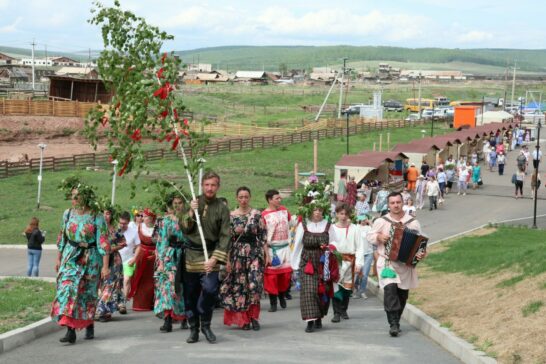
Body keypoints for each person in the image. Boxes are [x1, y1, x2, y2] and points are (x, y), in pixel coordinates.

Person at [51, 183, 110, 344]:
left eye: (78, 196)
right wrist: (58, 257)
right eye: (73, 196)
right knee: (67, 288)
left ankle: (89, 323)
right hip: (71, 256)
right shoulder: (68, 214)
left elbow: (103, 241)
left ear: (86, 197)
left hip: (91, 258)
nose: (74, 199)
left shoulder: (96, 216)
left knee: (87, 294)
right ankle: (70, 330)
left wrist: (105, 267)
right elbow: (62, 236)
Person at [179, 171, 230, 344]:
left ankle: (206, 325)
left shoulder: (222, 208)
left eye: (213, 185)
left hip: (211, 256)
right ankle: (193, 328)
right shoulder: (193, 203)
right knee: (190, 295)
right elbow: (185, 229)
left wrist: (214, 259)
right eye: (207, 185)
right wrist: (191, 213)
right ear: (202, 186)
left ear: (218, 186)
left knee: (210, 289)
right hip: (192, 256)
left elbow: (225, 236)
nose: (210, 188)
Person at [367, 192, 426, 337]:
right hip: (387, 262)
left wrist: (421, 252)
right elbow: (369, 236)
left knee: (402, 295)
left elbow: (420, 243)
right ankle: (393, 324)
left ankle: (396, 320)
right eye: (392, 203)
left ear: (402, 203)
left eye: (398, 202)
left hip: (405, 265)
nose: (395, 205)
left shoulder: (412, 222)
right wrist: (379, 237)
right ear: (388, 205)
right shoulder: (382, 221)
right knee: (390, 290)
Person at [220, 187, 266, 331]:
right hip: (237, 255)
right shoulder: (231, 216)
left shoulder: (257, 215)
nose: (244, 200)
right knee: (240, 286)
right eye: (241, 197)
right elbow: (227, 240)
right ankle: (244, 319)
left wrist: (267, 255)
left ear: (250, 197)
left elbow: (263, 236)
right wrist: (227, 260)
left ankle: (254, 317)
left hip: (254, 253)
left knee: (254, 285)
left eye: (246, 197)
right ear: (236, 198)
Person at [291, 204, 338, 333]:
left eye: (320, 210)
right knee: (309, 291)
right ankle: (310, 321)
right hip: (307, 262)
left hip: (324, 263)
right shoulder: (304, 225)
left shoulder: (328, 225)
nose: (317, 212)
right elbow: (297, 245)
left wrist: (329, 248)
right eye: (315, 209)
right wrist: (294, 265)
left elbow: (335, 242)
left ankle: (319, 317)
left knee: (322, 291)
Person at [154, 195, 188, 333]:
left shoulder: (188, 220)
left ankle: (185, 317)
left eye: (180, 203)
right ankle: (167, 320)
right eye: (175, 203)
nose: (178, 205)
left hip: (185, 255)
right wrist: (161, 261)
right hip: (170, 256)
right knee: (168, 286)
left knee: (184, 286)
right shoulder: (166, 221)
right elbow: (162, 241)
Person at [329, 203, 363, 323]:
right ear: (337, 214)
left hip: (350, 261)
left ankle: (344, 309)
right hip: (336, 261)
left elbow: (359, 247)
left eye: (346, 214)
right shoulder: (331, 228)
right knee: (336, 287)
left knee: (347, 288)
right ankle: (336, 313)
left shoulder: (355, 228)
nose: (343, 216)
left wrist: (359, 264)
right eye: (341, 213)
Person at [262, 189, 293, 313]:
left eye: (280, 198)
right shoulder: (264, 215)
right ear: (270, 200)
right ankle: (273, 302)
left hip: (285, 248)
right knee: (272, 278)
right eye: (277, 198)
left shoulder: (285, 211)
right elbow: (263, 235)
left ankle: (282, 294)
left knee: (285, 276)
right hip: (272, 250)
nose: (280, 200)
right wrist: (265, 254)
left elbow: (292, 223)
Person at [95, 208, 126, 322]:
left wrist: (113, 248)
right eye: (103, 213)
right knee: (102, 284)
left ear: (111, 215)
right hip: (100, 258)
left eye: (107, 213)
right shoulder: (97, 228)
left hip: (115, 260)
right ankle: (106, 311)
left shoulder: (115, 229)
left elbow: (123, 242)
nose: (105, 216)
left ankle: (101, 310)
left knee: (111, 284)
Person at [128, 208, 156, 311]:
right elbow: (135, 242)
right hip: (142, 255)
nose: (142, 218)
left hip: (154, 256)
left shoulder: (157, 228)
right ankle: (141, 304)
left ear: (151, 218)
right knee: (140, 279)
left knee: (153, 280)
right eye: (142, 216)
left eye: (145, 216)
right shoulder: (139, 227)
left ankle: (153, 303)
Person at [116, 212, 140, 315]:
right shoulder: (115, 231)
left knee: (126, 280)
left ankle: (123, 303)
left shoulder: (134, 232)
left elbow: (139, 246)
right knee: (117, 283)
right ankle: (115, 300)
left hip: (128, 259)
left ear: (128, 222)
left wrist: (135, 258)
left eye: (124, 223)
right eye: (120, 223)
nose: (122, 225)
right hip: (116, 259)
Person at [353, 215, 374, 300]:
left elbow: (376, 231)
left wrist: (370, 222)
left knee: (365, 274)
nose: (362, 221)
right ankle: (356, 287)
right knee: (358, 273)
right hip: (358, 254)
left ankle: (362, 291)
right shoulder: (356, 227)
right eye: (360, 219)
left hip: (368, 253)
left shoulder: (369, 228)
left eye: (364, 220)